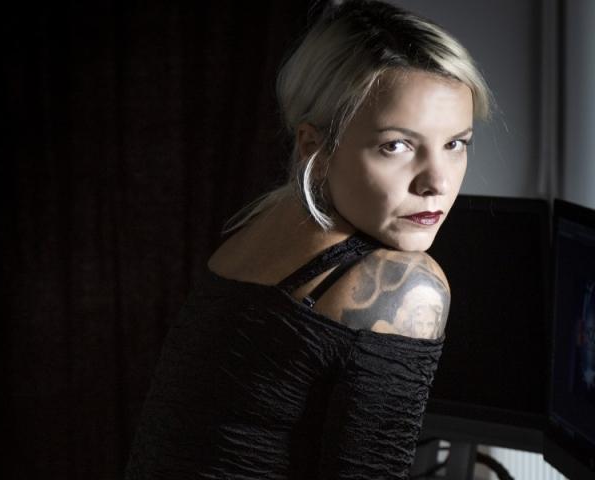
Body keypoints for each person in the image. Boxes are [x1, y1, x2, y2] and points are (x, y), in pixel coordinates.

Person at [126, 0, 492, 478]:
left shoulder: (260, 227)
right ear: (313, 146)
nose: (436, 182)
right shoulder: (404, 285)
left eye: (455, 144)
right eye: (396, 145)